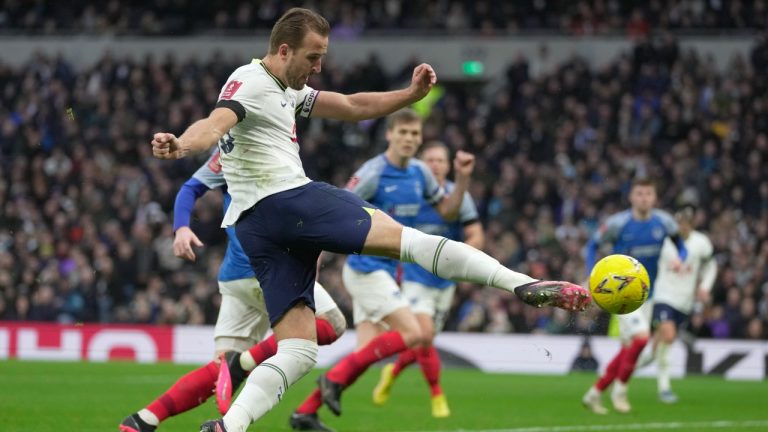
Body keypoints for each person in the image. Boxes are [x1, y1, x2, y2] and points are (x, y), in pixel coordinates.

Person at [150, 8, 590, 432]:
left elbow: (353, 104)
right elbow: (214, 123)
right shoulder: (248, 83)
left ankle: (229, 426)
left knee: (300, 350)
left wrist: (410, 96)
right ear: (283, 50)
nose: (319, 67)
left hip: (257, 229)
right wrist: (182, 144)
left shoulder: (284, 88)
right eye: (313, 57)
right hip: (288, 201)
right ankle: (522, 284)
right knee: (410, 241)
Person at [119, 149, 346, 432]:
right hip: (270, 269)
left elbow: (190, 188)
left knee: (220, 370)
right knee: (330, 324)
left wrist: (181, 228)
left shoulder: (228, 149)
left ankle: (142, 420)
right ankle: (245, 363)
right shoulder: (266, 145)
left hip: (235, 275)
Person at [288, 113, 477, 430]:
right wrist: (315, 260)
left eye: (414, 133)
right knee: (413, 333)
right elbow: (334, 211)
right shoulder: (373, 172)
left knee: (363, 357)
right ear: (389, 134)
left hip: (387, 271)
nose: (409, 138)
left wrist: (463, 179)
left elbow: (447, 210)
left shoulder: (420, 173)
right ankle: (331, 380)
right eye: (402, 131)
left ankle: (305, 413)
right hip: (365, 269)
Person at [371, 140, 484, 417]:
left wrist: (466, 257)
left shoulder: (459, 197)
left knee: (423, 340)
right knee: (424, 335)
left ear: (448, 166)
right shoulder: (410, 194)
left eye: (440, 160)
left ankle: (393, 370)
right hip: (414, 277)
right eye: (430, 160)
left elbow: (476, 234)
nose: (435, 165)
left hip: (445, 282)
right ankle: (437, 395)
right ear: (421, 165)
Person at [581, 177, 687, 415]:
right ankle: (620, 390)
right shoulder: (618, 223)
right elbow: (591, 246)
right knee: (641, 339)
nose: (644, 198)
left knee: (628, 348)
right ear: (631, 197)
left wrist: (680, 257)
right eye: (639, 193)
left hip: (648, 295)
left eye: (648, 194)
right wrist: (592, 276)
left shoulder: (664, 222)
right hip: (622, 297)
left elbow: (681, 245)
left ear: (655, 197)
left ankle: (594, 394)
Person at [639, 206, 717, 403]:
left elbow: (711, 265)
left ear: (691, 224)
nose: (681, 226)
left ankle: (627, 368)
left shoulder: (702, 243)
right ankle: (664, 388)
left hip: (685, 303)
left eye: (685, 223)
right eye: (678, 222)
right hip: (663, 297)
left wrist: (705, 286)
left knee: (656, 349)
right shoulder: (665, 242)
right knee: (669, 335)